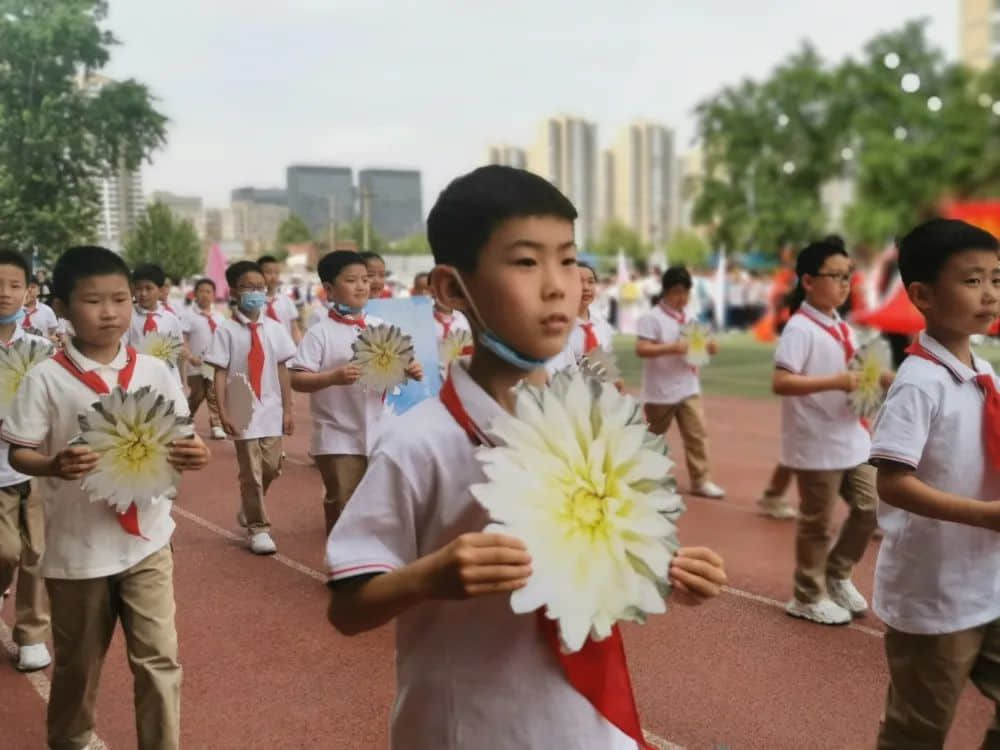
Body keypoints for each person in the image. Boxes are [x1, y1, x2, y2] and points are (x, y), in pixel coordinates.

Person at [324, 165, 727, 749]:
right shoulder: (419, 442)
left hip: (589, 723)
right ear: (452, 288)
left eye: (567, 259)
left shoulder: (592, 420)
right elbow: (347, 607)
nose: (558, 284)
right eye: (525, 262)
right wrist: (429, 576)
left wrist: (664, 565)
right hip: (472, 728)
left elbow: (600, 548)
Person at [3, 245, 210, 750]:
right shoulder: (45, 378)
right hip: (79, 552)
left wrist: (193, 452)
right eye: (94, 300)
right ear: (64, 306)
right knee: (79, 665)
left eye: (120, 299)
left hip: (149, 540)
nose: (111, 311)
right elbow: (20, 454)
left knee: (160, 658)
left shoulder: (155, 371)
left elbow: (181, 435)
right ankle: (73, 738)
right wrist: (52, 465)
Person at [869, 219, 1000, 748]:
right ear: (922, 294)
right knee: (918, 730)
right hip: (935, 596)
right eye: (971, 281)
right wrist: (985, 515)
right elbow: (893, 483)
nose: (989, 294)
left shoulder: (985, 371)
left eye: (996, 277)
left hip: (989, 582)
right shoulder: (920, 382)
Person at [773, 238, 887, 626]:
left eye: (847, 276)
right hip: (816, 439)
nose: (843, 284)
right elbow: (782, 382)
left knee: (872, 505)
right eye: (835, 276)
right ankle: (806, 594)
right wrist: (836, 381)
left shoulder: (843, 326)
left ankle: (837, 573)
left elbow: (858, 372)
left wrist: (881, 380)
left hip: (852, 435)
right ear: (807, 281)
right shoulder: (800, 329)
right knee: (817, 522)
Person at [290, 251, 422, 534]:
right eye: (351, 280)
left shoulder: (381, 326)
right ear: (328, 289)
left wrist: (409, 370)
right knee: (343, 501)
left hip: (381, 430)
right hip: (338, 434)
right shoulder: (320, 333)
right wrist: (332, 377)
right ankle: (343, 563)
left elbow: (396, 368)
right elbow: (298, 379)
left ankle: (374, 560)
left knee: (381, 502)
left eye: (366, 279)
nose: (362, 285)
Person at [206, 261, 296, 556]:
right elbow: (219, 372)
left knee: (271, 466)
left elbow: (282, 369)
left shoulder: (275, 329)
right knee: (251, 471)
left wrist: (288, 409)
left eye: (261, 287)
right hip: (242, 404)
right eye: (249, 287)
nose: (257, 292)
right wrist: (223, 412)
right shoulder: (226, 330)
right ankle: (258, 527)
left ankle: (248, 506)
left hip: (270, 405)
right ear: (234, 291)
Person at [0, 251, 51, 673]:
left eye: (14, 285)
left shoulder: (42, 349)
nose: (5, 293)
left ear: (29, 291)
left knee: (37, 552)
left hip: (34, 467)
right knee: (6, 551)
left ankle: (32, 633)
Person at [636, 266, 726, 499]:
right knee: (655, 435)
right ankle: (645, 476)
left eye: (685, 293)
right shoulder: (651, 318)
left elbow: (703, 346)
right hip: (660, 389)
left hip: (688, 384)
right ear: (665, 291)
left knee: (697, 433)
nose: (682, 298)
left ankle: (701, 479)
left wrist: (710, 346)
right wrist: (672, 348)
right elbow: (642, 349)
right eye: (676, 292)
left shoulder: (690, 317)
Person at [185, 278, 226, 440]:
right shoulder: (189, 315)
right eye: (201, 291)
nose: (205, 295)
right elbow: (183, 339)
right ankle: (186, 417)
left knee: (213, 393)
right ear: (195, 294)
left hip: (213, 362)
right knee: (198, 393)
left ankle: (216, 425)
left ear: (214, 295)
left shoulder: (220, 317)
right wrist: (189, 356)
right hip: (196, 362)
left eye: (208, 291)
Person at [128, 264, 186, 373]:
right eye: (138, 288)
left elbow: (179, 354)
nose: (143, 293)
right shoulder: (128, 317)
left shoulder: (171, 319)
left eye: (148, 288)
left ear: (160, 290)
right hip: (138, 377)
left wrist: (184, 384)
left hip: (167, 377)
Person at [258, 254, 303, 345]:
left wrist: (299, 347)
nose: (273, 276)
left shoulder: (287, 301)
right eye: (268, 272)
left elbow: (294, 328)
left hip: (286, 349)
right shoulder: (255, 303)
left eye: (277, 272)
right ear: (258, 275)